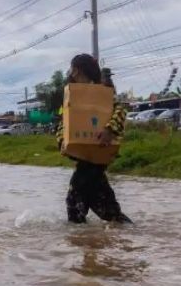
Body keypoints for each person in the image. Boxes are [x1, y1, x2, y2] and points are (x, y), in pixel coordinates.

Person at [57, 54, 132, 224]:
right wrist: (61, 141)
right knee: (105, 209)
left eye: (73, 69)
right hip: (85, 157)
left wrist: (109, 129)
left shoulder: (103, 91)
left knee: (77, 203)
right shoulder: (71, 95)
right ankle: (95, 244)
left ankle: (83, 242)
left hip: (98, 154)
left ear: (78, 69)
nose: (71, 73)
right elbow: (62, 121)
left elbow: (121, 109)